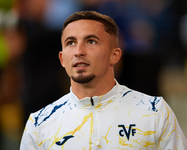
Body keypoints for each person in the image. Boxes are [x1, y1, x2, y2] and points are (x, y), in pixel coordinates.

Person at [20, 11, 187, 149]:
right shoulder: (39, 124)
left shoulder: (155, 113)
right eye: (71, 42)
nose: (79, 51)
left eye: (91, 41)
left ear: (114, 55)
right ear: (62, 59)